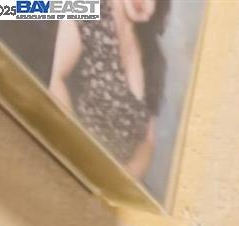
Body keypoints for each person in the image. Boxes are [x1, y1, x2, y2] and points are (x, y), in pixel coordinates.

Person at [45, 0, 170, 184]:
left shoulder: (152, 53)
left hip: (117, 189)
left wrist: (127, 176)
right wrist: (79, 156)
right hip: (72, 165)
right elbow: (56, 80)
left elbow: (148, 140)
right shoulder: (83, 8)